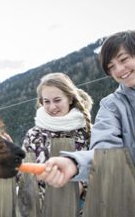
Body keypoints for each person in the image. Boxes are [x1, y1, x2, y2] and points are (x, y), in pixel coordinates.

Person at [36, 30, 135, 216]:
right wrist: (74, 163)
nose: (118, 70)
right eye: (111, 67)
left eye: (123, 59)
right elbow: (105, 151)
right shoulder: (111, 107)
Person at [19, 72, 93, 215]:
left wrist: (83, 186)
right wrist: (37, 179)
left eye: (57, 100)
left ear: (70, 98)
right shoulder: (34, 135)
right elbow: (21, 176)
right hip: (43, 210)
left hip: (84, 209)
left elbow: (99, 167)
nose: (52, 107)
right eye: (47, 101)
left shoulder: (88, 132)